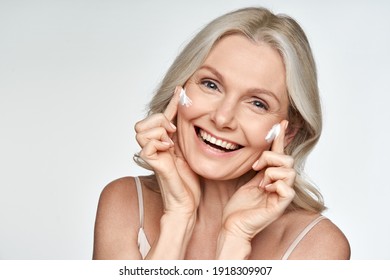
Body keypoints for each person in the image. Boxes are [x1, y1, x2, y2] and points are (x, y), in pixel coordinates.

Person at [92, 7, 350, 260]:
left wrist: (235, 239)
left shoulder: (318, 246)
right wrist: (178, 218)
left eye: (257, 103)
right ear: (179, 89)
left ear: (290, 131)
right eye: (210, 85)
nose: (222, 117)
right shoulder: (124, 203)